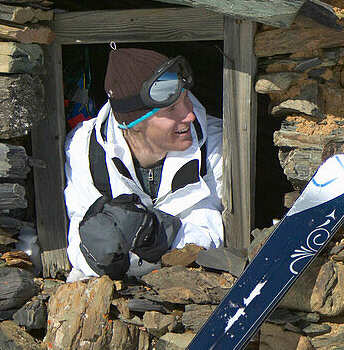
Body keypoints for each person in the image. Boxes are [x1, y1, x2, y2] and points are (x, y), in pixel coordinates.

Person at [64, 47, 224, 280]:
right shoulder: (85, 148)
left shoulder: (214, 144)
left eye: (186, 98)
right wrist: (101, 257)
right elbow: (80, 238)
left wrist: (158, 235)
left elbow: (213, 235)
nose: (189, 115)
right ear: (134, 124)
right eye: (171, 109)